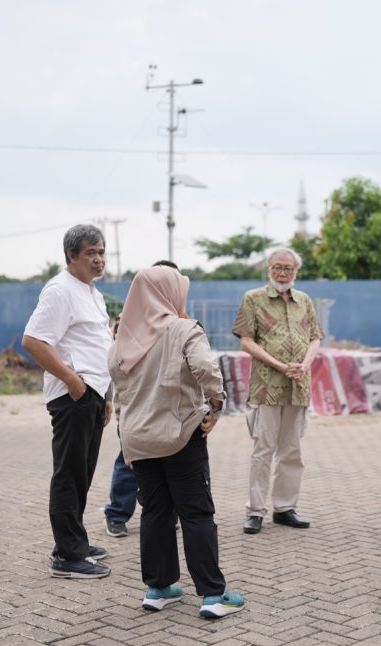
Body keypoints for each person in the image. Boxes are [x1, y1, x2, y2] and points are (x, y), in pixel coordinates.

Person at [109, 265, 244, 619]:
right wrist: (216, 405)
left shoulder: (122, 337)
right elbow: (206, 369)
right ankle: (213, 594)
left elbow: (120, 397)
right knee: (196, 512)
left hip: (139, 439)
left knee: (155, 511)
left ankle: (159, 588)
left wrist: (127, 443)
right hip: (180, 435)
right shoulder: (184, 329)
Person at [22, 224, 114, 579]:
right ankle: (67, 555)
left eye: (101, 252)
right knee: (69, 474)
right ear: (71, 256)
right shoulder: (60, 290)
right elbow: (33, 341)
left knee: (83, 472)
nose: (98, 259)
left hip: (94, 394)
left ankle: (75, 541)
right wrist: (73, 381)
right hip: (73, 396)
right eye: (90, 253)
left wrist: (106, 394)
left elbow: (97, 345)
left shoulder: (92, 292)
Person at [232, 248, 323, 535]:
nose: (283, 273)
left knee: (292, 450)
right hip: (267, 386)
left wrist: (304, 365)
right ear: (269, 269)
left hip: (298, 385)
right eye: (277, 267)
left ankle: (285, 508)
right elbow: (246, 341)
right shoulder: (253, 298)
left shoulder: (304, 300)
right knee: (263, 449)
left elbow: (315, 338)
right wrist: (280, 365)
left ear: (296, 271)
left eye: (288, 268)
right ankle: (255, 511)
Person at [103, 260, 181, 538]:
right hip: (136, 403)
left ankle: (161, 511)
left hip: (167, 405)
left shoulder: (181, 319)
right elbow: (119, 362)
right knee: (130, 459)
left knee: (167, 461)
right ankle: (117, 514)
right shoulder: (129, 318)